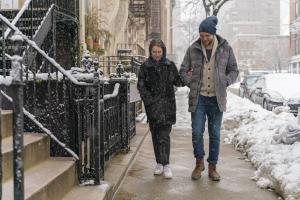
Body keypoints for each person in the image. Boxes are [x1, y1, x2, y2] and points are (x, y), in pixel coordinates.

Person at [179, 16, 239, 181]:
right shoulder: (193, 49)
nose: (204, 38)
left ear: (213, 34)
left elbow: (234, 70)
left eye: (207, 35)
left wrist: (225, 81)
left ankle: (213, 167)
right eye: (202, 35)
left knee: (215, 134)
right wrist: (190, 82)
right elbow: (183, 70)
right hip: (198, 99)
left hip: (216, 99)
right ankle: (199, 164)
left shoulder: (225, 48)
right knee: (197, 132)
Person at [137, 39, 183, 179]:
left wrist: (187, 75)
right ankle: (159, 163)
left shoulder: (169, 65)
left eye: (159, 51)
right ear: (150, 52)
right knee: (156, 136)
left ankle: (166, 164)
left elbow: (178, 81)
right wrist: (150, 102)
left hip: (167, 106)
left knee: (164, 136)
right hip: (153, 108)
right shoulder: (145, 67)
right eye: (154, 52)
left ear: (163, 51)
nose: (157, 54)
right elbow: (141, 86)